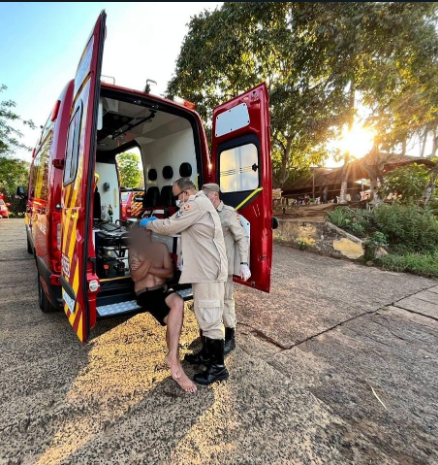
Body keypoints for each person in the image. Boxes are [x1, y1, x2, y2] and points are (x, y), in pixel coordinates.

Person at [140, 178, 229, 385]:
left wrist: (149, 223)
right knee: (202, 313)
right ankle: (207, 355)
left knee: (210, 317)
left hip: (209, 271)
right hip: (203, 270)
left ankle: (218, 367)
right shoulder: (198, 204)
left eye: (177, 196)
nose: (177, 200)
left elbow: (171, 226)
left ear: (186, 193)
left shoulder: (196, 203)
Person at [128, 225, 197, 393]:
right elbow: (137, 277)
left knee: (179, 303)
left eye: (143, 233)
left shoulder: (161, 247)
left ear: (149, 233)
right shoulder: (133, 250)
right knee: (172, 320)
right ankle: (176, 366)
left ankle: (173, 358)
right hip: (145, 294)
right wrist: (151, 260)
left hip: (163, 290)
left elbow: (169, 273)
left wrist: (147, 267)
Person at [201, 183, 250, 354]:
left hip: (224, 268)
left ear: (214, 195)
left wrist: (244, 263)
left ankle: (231, 337)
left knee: (226, 301)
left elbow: (242, 238)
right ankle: (210, 338)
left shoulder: (228, 213)